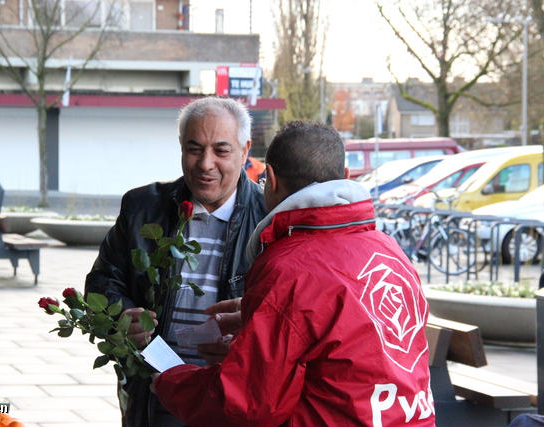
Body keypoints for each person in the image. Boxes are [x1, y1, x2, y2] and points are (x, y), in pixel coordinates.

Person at [152, 121, 435, 426]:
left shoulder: (287, 268)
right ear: (346, 177)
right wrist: (261, 320)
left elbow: (248, 403)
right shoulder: (389, 250)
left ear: (270, 179)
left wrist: (170, 380)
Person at [84, 96, 268, 427]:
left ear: (245, 152)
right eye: (195, 149)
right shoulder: (142, 207)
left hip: (234, 396)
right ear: (181, 146)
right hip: (157, 388)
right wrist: (122, 317)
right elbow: (103, 281)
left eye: (221, 151)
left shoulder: (269, 220)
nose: (205, 163)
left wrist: (248, 348)